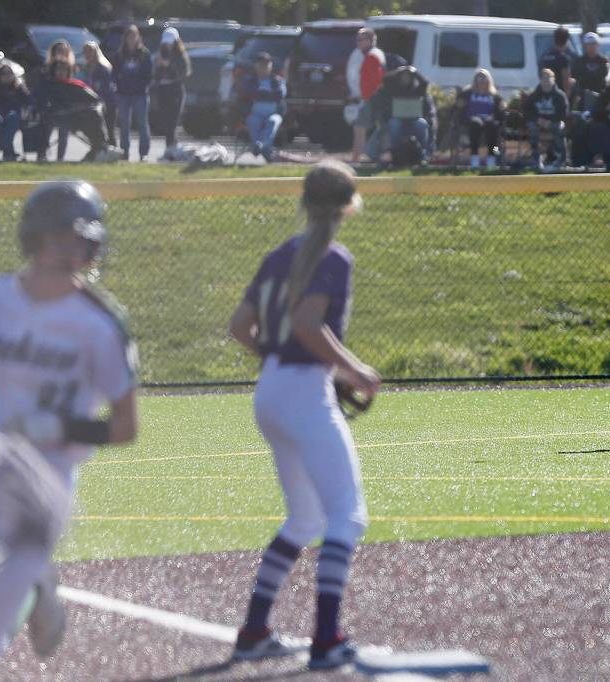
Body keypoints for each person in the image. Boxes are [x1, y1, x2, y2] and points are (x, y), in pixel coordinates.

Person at [0, 180, 139, 679]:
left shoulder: (101, 326)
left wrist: (59, 426)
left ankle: (37, 585)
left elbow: (125, 427)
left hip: (43, 485)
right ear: (32, 238)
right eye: (57, 237)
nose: (67, 251)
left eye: (79, 240)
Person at [229, 160, 379, 671]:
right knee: (347, 515)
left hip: (270, 389)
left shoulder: (279, 255)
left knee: (305, 518)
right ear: (348, 204)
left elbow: (240, 327)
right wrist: (356, 372)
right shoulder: (332, 257)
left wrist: (286, 360)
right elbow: (308, 323)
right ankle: (326, 639)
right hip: (300, 389)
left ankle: (253, 632)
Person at [35, 58, 121, 163]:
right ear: (54, 71)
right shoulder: (48, 86)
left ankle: (98, 150)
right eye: (58, 69)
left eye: (64, 70)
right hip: (57, 117)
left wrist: (82, 107)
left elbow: (95, 100)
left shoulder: (75, 85)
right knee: (44, 122)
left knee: (93, 115)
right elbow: (44, 104)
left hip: (78, 117)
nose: (61, 72)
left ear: (68, 71)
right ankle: (102, 149)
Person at [365, 65, 436, 167]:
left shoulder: (417, 91)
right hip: (396, 119)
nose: (405, 79)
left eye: (408, 76)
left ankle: (423, 154)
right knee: (395, 123)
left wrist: (415, 72)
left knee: (422, 124)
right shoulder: (391, 89)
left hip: (414, 119)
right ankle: (391, 153)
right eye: (403, 76)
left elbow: (425, 83)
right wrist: (399, 70)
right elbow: (385, 79)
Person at [113, 25, 153, 162]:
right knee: (124, 125)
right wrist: (118, 86)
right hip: (123, 94)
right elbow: (115, 73)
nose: (131, 39)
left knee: (142, 124)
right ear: (125, 38)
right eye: (129, 36)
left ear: (138, 37)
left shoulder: (144, 54)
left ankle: (144, 153)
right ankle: (125, 152)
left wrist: (143, 86)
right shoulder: (120, 54)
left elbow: (149, 74)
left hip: (140, 94)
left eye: (134, 36)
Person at [237, 51, 286, 162]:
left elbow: (280, 94)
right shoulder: (250, 80)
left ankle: (260, 146)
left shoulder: (277, 81)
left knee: (272, 122)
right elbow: (248, 92)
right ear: (256, 66)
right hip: (255, 114)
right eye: (261, 65)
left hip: (273, 114)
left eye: (266, 65)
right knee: (252, 121)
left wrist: (260, 94)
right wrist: (267, 94)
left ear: (271, 66)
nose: (264, 68)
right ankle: (262, 148)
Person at [454, 68, 505, 169]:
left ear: (488, 80)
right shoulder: (468, 93)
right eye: (479, 77)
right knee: (475, 125)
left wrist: (502, 108)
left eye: (484, 77)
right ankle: (474, 157)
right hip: (472, 120)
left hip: (489, 120)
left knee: (493, 128)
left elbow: (501, 109)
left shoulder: (494, 95)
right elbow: (458, 106)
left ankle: (492, 157)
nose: (482, 80)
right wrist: (459, 104)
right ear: (475, 80)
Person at [348, 28, 385, 164]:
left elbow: (375, 80)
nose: (357, 42)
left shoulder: (371, 56)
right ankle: (365, 159)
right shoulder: (372, 54)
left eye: (360, 40)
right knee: (376, 129)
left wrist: (364, 98)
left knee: (359, 130)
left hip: (369, 99)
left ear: (369, 40)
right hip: (371, 98)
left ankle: (355, 161)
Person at [152, 27, 191, 151]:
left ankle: (171, 147)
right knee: (165, 120)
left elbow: (183, 74)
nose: (168, 46)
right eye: (166, 43)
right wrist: (159, 67)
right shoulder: (160, 54)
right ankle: (170, 147)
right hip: (163, 89)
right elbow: (156, 75)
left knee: (173, 121)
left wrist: (168, 65)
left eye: (170, 43)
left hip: (175, 90)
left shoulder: (180, 56)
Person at [523, 68, 568, 172]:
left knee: (559, 127)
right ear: (540, 80)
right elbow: (527, 111)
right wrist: (538, 119)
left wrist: (550, 121)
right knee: (532, 127)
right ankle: (536, 157)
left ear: (553, 80)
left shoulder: (560, 96)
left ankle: (561, 157)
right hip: (538, 122)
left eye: (548, 79)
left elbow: (564, 113)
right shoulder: (534, 96)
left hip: (554, 122)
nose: (546, 81)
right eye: (543, 79)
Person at [44, 40, 76, 162]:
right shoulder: (47, 70)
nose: (61, 53)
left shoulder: (71, 69)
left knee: (63, 134)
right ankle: (43, 154)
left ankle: (60, 159)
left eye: (63, 51)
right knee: (45, 133)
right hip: (51, 107)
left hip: (66, 108)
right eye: (58, 50)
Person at [80, 41, 116, 147]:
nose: (88, 54)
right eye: (85, 52)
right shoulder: (84, 69)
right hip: (92, 105)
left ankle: (114, 153)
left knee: (109, 131)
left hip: (107, 104)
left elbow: (107, 88)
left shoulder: (103, 69)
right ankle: (98, 150)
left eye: (90, 52)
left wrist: (102, 101)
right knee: (94, 131)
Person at [571, 32, 609, 104]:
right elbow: (577, 76)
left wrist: (587, 74)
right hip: (583, 96)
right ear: (585, 46)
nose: (591, 46)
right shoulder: (579, 61)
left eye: (594, 43)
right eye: (589, 44)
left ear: (598, 45)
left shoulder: (603, 60)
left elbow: (602, 75)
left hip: (600, 95)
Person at [538, 26, 573, 98]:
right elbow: (566, 83)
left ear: (554, 39)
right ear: (567, 41)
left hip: (544, 95)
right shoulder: (563, 58)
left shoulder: (544, 56)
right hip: (558, 96)